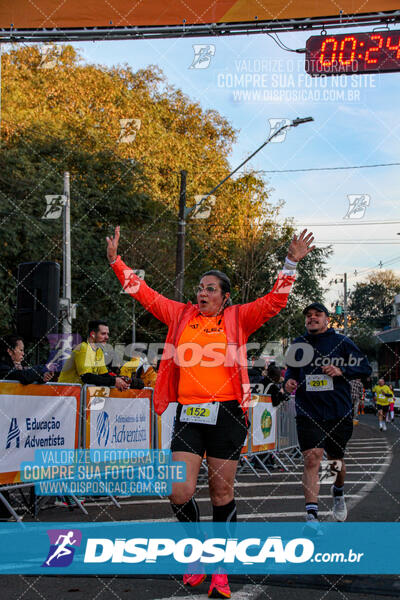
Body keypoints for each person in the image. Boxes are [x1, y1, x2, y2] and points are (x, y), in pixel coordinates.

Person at [107, 225, 314, 599]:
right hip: (189, 413)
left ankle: (220, 567)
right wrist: (116, 263)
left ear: (224, 297)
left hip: (228, 414)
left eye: (210, 289)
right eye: (200, 287)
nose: (201, 293)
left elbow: (274, 302)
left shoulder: (238, 318)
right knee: (178, 491)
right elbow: (146, 295)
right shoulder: (181, 315)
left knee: (221, 492)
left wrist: (290, 264)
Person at [284, 302, 371, 523]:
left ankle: (338, 492)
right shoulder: (299, 343)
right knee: (312, 458)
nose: (312, 318)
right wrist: (289, 382)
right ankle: (311, 515)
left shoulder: (342, 342)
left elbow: (365, 368)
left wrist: (342, 370)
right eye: (309, 315)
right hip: (308, 410)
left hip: (337, 411)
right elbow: (291, 372)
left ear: (327, 319)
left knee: (335, 460)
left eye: (317, 315)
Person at [58, 320, 141, 390]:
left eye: (107, 334)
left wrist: (121, 379)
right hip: (65, 395)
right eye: (103, 334)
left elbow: (103, 375)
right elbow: (86, 377)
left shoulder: (99, 351)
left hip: (77, 396)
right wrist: (114, 381)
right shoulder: (83, 348)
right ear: (93, 334)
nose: (107, 337)